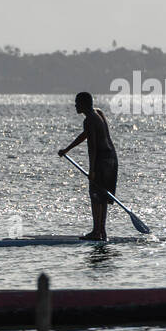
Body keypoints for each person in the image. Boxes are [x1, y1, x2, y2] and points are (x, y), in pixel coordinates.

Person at [58, 91, 118, 240]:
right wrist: (67, 149)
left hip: (102, 161)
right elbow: (86, 135)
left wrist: (92, 170)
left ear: (84, 104)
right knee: (103, 196)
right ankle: (101, 231)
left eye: (77, 103)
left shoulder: (90, 119)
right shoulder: (97, 113)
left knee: (96, 195)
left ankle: (96, 232)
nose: (75, 105)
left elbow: (93, 147)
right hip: (111, 159)